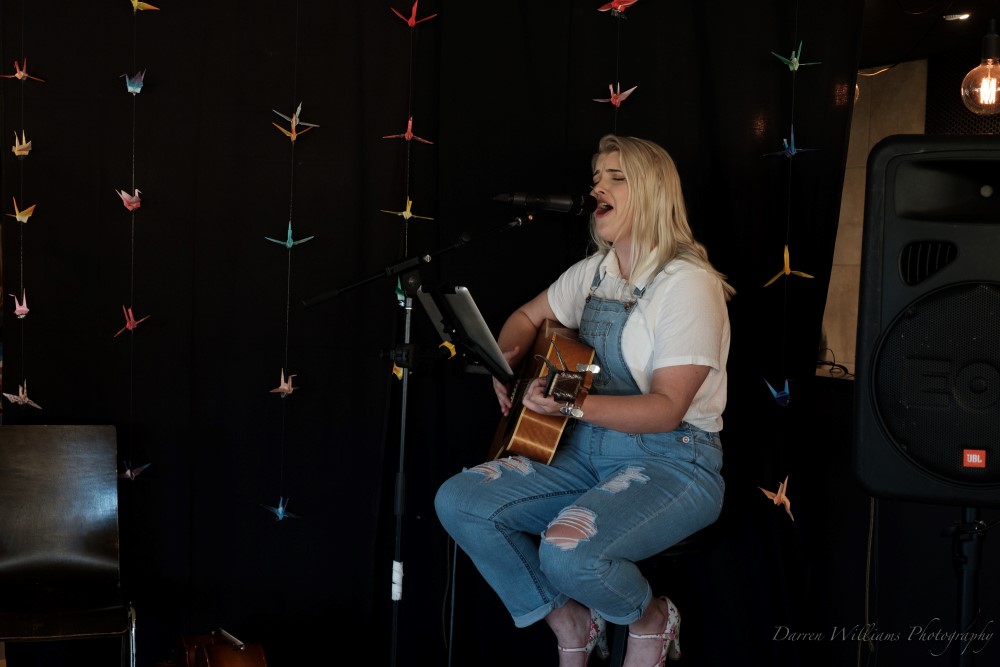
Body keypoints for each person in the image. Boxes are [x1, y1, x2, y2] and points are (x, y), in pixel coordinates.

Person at [434, 134, 734, 666]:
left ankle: (649, 618)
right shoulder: (595, 273)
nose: (598, 185)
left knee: (568, 554)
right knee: (460, 502)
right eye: (597, 176)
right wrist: (505, 364)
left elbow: (665, 407)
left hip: (673, 461)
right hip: (583, 454)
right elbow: (526, 318)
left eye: (616, 177)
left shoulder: (688, 284)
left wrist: (567, 405)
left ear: (654, 193)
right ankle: (570, 619)